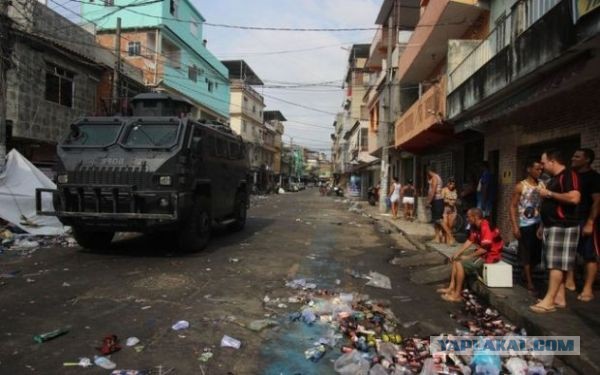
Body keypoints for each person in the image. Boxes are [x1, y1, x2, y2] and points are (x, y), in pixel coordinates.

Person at [530, 149, 581, 313]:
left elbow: (574, 198)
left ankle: (549, 301)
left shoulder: (568, 175)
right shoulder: (554, 179)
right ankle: (558, 298)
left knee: (556, 265)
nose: (542, 167)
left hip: (563, 226)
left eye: (544, 163)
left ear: (553, 161)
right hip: (551, 225)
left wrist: (549, 193)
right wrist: (542, 225)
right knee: (552, 263)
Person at [437, 208, 503, 302]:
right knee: (456, 259)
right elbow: (470, 240)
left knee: (460, 263)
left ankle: (457, 295)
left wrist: (468, 257)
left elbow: (485, 249)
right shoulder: (474, 226)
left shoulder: (485, 226)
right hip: (483, 252)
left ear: (475, 217)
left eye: (468, 217)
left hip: (491, 255)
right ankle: (451, 287)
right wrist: (458, 253)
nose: (467, 219)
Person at [565, 148, 600, 302]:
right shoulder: (570, 176)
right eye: (573, 155)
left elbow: (597, 201)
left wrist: (590, 222)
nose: (573, 158)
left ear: (587, 160)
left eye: (577, 156)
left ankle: (587, 288)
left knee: (589, 255)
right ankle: (570, 281)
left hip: (586, 219)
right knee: (570, 252)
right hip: (571, 219)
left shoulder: (594, 178)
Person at [509, 159, 545, 293]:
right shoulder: (520, 186)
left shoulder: (542, 185)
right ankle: (529, 281)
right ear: (529, 169)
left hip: (539, 224)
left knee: (537, 253)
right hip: (525, 224)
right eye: (537, 169)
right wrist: (515, 226)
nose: (539, 171)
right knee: (526, 253)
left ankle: (526, 274)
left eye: (541, 169)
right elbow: (512, 206)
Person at [427, 166, 444, 242]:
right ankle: (437, 237)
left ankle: (449, 235)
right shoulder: (437, 177)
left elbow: (433, 190)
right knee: (436, 220)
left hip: (436, 200)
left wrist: (429, 201)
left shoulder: (434, 178)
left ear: (430, 171)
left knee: (438, 220)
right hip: (438, 200)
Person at [441, 178, 458, 245]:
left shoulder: (455, 191)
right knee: (445, 223)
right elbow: (441, 199)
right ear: (448, 183)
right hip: (445, 209)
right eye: (451, 184)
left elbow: (456, 199)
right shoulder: (444, 190)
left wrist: (455, 202)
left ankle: (448, 239)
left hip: (453, 210)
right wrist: (448, 201)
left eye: (453, 184)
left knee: (450, 225)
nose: (452, 186)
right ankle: (447, 238)